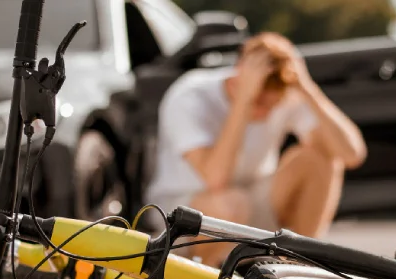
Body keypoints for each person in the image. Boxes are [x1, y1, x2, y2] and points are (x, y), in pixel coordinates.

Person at [144, 32, 368, 266]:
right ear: (238, 74)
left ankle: (299, 266)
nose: (264, 113)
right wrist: (244, 101)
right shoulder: (191, 95)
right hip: (184, 213)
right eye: (259, 102)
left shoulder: (282, 94)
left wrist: (306, 87)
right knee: (232, 203)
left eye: (272, 105)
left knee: (321, 159)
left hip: (251, 203)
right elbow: (216, 179)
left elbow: (351, 154)